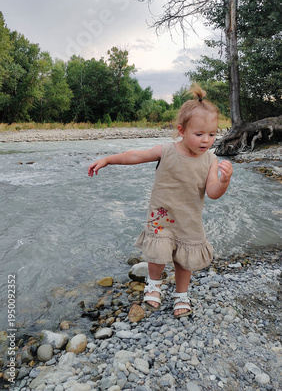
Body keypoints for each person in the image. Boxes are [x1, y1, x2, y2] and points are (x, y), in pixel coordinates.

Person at [88, 84, 233, 318]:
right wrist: (108, 159)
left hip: (189, 219)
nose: (206, 140)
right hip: (162, 215)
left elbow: (213, 191)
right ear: (181, 131)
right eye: (199, 134)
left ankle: (181, 295)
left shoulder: (210, 160)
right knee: (158, 253)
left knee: (184, 259)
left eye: (212, 134)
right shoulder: (166, 150)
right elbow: (135, 155)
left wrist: (224, 181)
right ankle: (153, 285)